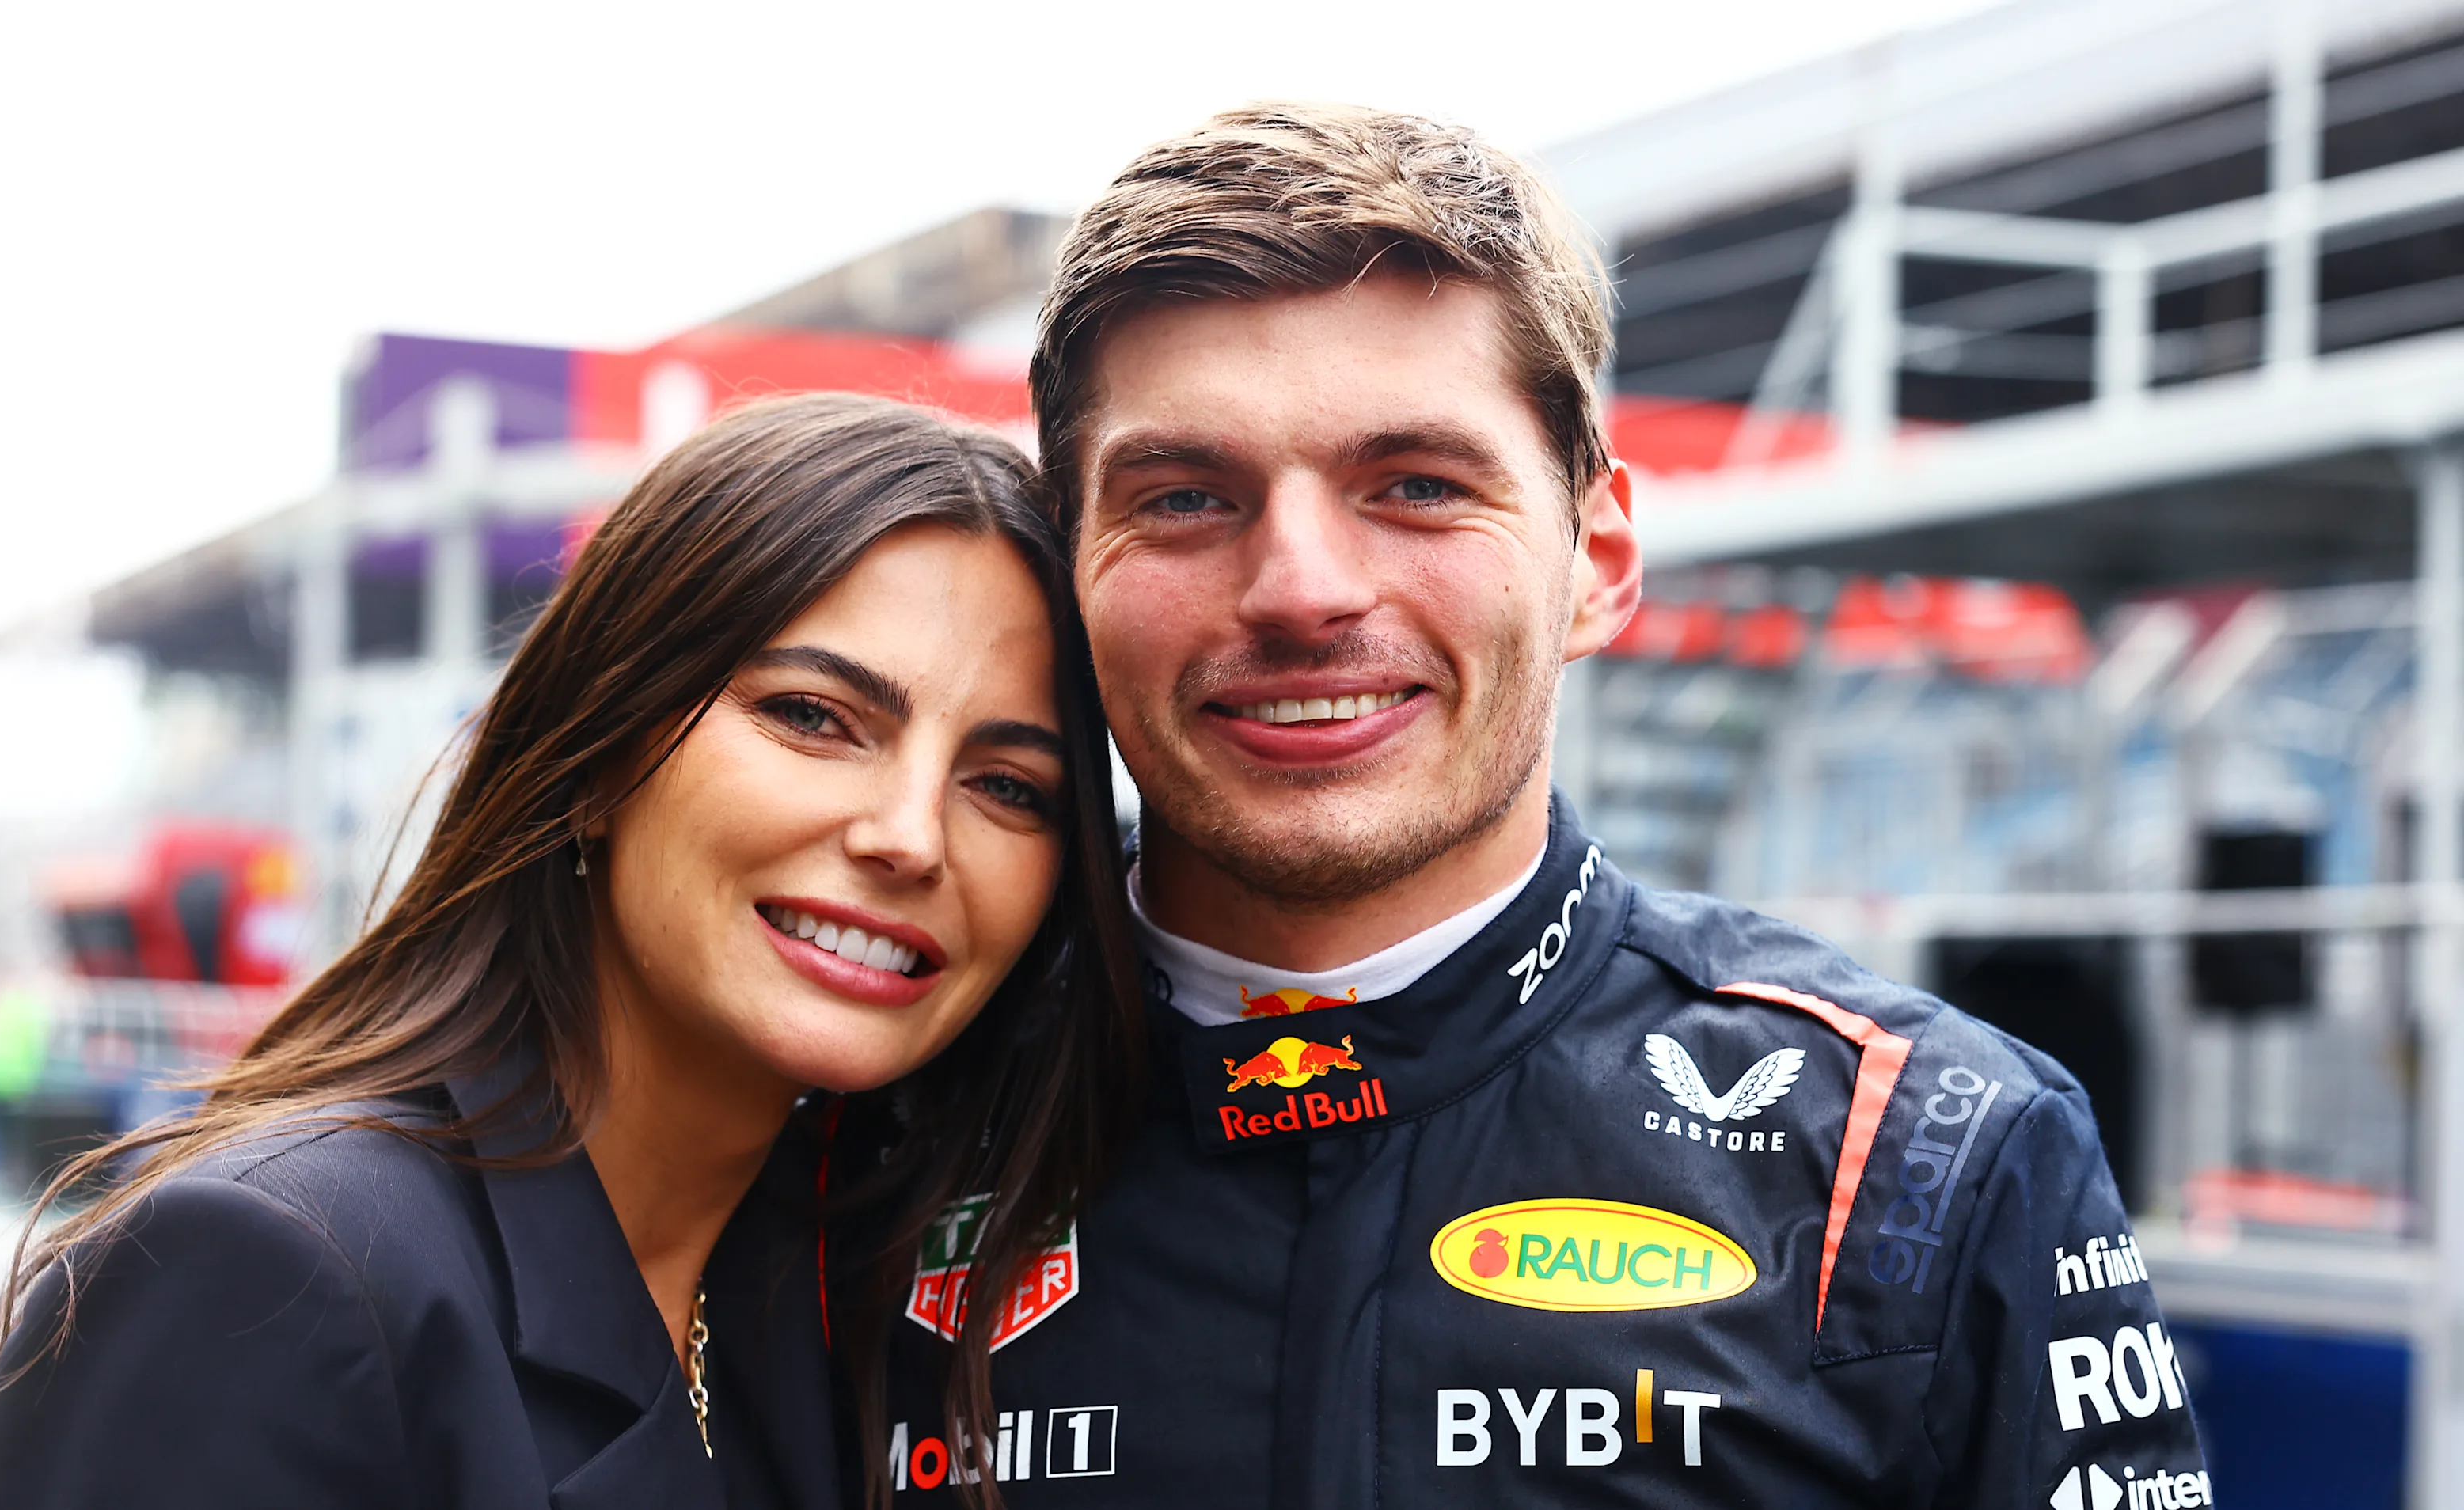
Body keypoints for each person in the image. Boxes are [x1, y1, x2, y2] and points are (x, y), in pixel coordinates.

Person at [861, 104, 2207, 1508]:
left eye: (1418, 486)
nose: (1303, 590)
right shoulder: (864, 1113)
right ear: (1069, 567)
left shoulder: (1933, 1148)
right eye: (1188, 497)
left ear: (1596, 562)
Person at [0, 393, 1142, 1510]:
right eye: (812, 718)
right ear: (599, 753)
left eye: (1008, 785)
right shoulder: (274, 1274)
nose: (911, 837)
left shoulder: (821, 1300)